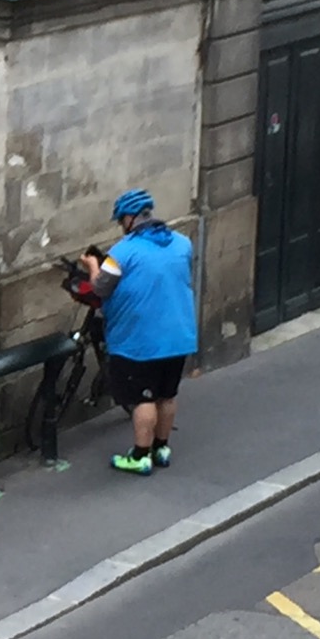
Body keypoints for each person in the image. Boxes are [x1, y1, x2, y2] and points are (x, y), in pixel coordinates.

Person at [79, 188, 197, 477]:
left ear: (130, 218)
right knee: (167, 395)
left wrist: (92, 265)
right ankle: (161, 448)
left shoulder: (121, 252)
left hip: (140, 340)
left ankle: (141, 456)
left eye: (121, 220)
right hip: (179, 334)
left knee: (143, 398)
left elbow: (101, 288)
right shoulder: (182, 243)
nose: (122, 225)